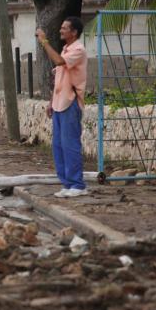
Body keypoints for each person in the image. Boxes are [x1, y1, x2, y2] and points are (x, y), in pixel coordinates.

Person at [36, 17, 88, 198]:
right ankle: (67, 183)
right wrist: (51, 102)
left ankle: (77, 184)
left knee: (70, 144)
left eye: (65, 28)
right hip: (59, 104)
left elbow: (58, 61)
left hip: (70, 102)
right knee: (58, 145)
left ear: (74, 32)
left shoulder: (78, 50)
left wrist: (44, 41)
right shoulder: (66, 49)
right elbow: (59, 80)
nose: (61, 30)